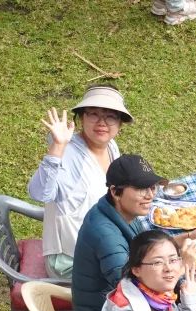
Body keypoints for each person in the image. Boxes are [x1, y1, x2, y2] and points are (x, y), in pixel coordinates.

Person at [71, 154, 196, 311]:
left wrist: (190, 235)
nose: (150, 195)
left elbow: (148, 252)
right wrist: (182, 266)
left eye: (152, 187)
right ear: (115, 191)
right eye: (141, 189)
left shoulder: (117, 211)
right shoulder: (105, 236)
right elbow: (135, 289)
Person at [27, 86, 130, 279]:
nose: (102, 122)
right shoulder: (68, 153)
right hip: (72, 261)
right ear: (81, 118)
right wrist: (58, 147)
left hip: (105, 245)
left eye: (110, 116)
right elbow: (39, 193)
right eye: (93, 114)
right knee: (148, 277)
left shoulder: (110, 147)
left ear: (119, 124)